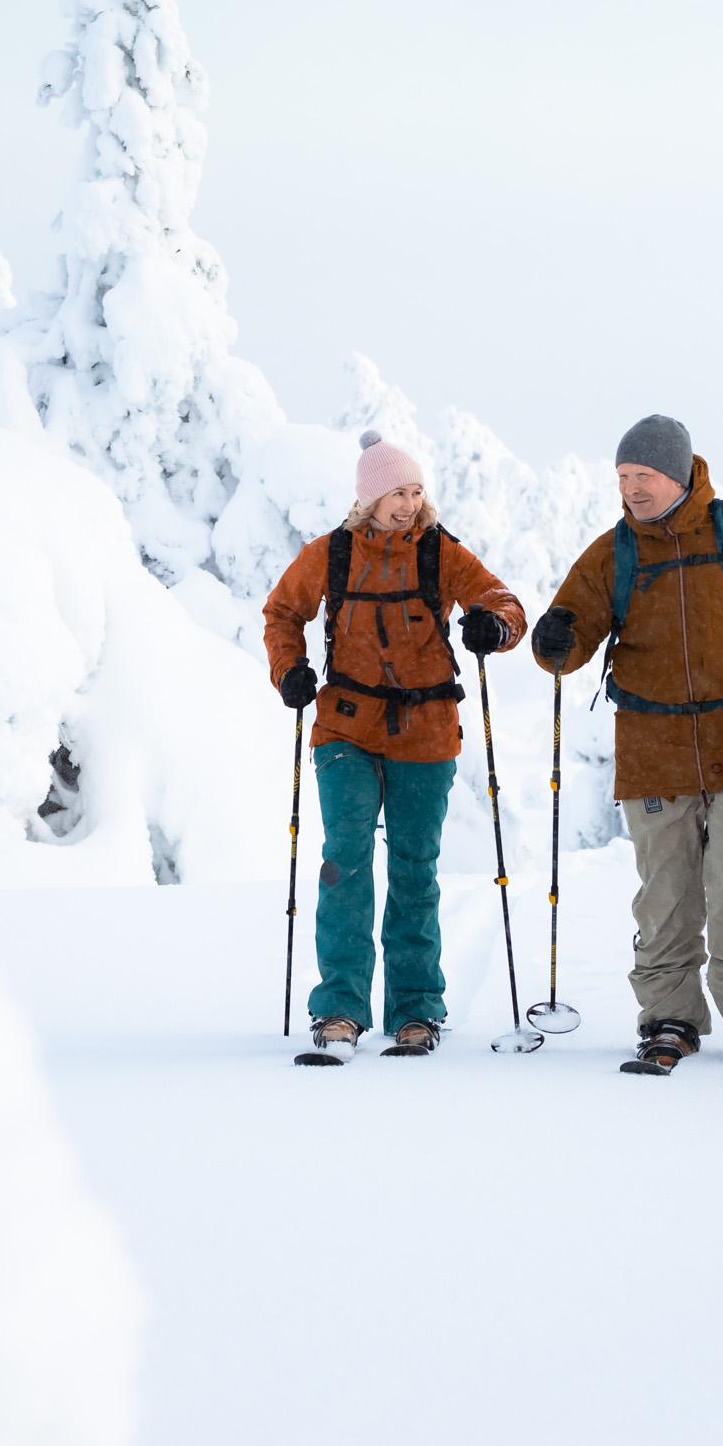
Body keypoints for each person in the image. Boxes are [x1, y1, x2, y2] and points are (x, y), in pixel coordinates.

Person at [529, 414, 723, 1080]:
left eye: (642, 476)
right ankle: (669, 1015)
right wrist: (554, 639)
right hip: (652, 746)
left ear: (677, 474)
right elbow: (569, 633)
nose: (631, 489)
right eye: (622, 477)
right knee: (666, 894)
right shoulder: (613, 553)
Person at [262, 431, 528, 1059]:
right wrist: (288, 670)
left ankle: (415, 1013)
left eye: (415, 490)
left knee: (415, 871)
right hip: (345, 729)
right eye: (395, 493)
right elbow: (282, 612)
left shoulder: (440, 553)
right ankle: (339, 1012)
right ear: (368, 498)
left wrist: (495, 626)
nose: (408, 504)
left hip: (427, 731)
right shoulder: (330, 554)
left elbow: (505, 603)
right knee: (344, 863)